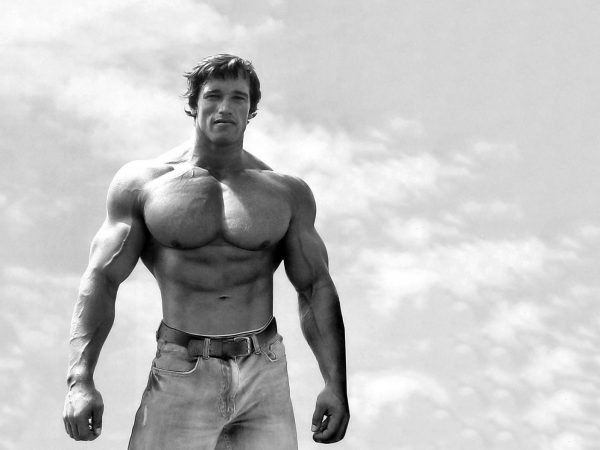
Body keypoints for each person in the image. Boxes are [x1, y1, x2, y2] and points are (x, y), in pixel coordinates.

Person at [62, 54, 349, 449]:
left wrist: (335, 385)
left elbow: (315, 287)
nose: (225, 107)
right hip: (181, 368)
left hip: (264, 372)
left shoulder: (285, 193)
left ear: (251, 110)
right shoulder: (145, 185)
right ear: (194, 105)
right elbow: (102, 278)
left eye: (238, 98)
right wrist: (79, 380)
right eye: (213, 96)